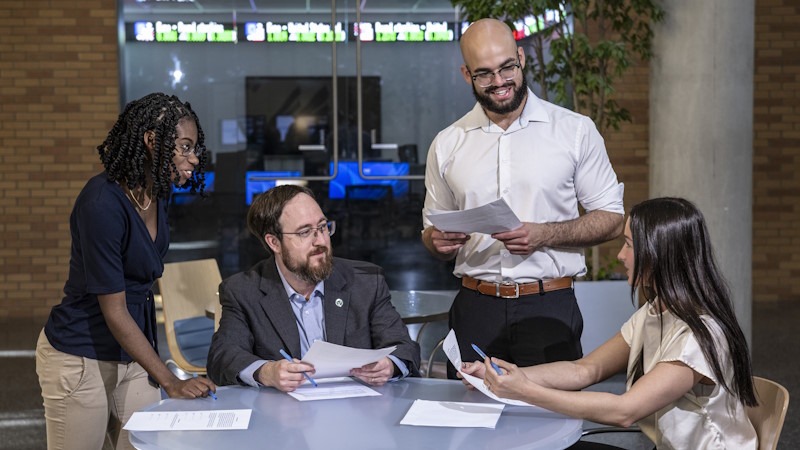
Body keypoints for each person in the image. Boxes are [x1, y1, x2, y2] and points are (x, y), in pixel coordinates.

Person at [465, 197, 758, 449]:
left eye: (629, 245)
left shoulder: (698, 335)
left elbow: (624, 411)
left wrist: (525, 392)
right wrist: (499, 373)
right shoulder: (657, 310)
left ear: (660, 254)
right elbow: (584, 370)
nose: (620, 256)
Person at [422, 18, 625, 379]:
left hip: (548, 306)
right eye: (484, 73)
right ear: (466, 74)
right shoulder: (447, 143)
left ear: (521, 58)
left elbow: (611, 217)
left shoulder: (574, 131)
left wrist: (544, 234)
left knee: (553, 425)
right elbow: (431, 230)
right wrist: (436, 241)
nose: (499, 82)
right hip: (474, 309)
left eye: (507, 67)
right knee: (469, 427)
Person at [35, 93, 217, 450]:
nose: (193, 159)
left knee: (145, 445)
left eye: (194, 149)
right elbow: (114, 309)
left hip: (133, 354)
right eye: (184, 147)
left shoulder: (157, 194)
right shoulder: (101, 203)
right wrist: (169, 379)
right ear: (152, 141)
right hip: (79, 355)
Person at [207, 184, 420, 391]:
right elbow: (222, 357)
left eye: (322, 227)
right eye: (304, 232)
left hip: (358, 412)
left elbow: (404, 347)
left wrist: (389, 365)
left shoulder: (365, 282)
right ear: (274, 243)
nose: (320, 241)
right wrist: (267, 372)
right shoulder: (243, 291)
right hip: (283, 418)